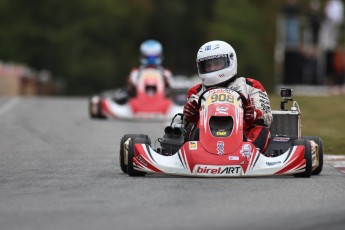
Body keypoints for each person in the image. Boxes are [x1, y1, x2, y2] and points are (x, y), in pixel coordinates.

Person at [183, 40, 273, 153]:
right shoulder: (196, 91)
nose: (212, 68)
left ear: (230, 61)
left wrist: (253, 115)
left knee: (262, 129)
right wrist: (191, 114)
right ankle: (196, 153)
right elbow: (187, 121)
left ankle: (250, 154)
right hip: (206, 138)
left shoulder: (250, 85)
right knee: (193, 126)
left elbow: (267, 117)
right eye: (208, 65)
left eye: (216, 63)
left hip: (243, 138)